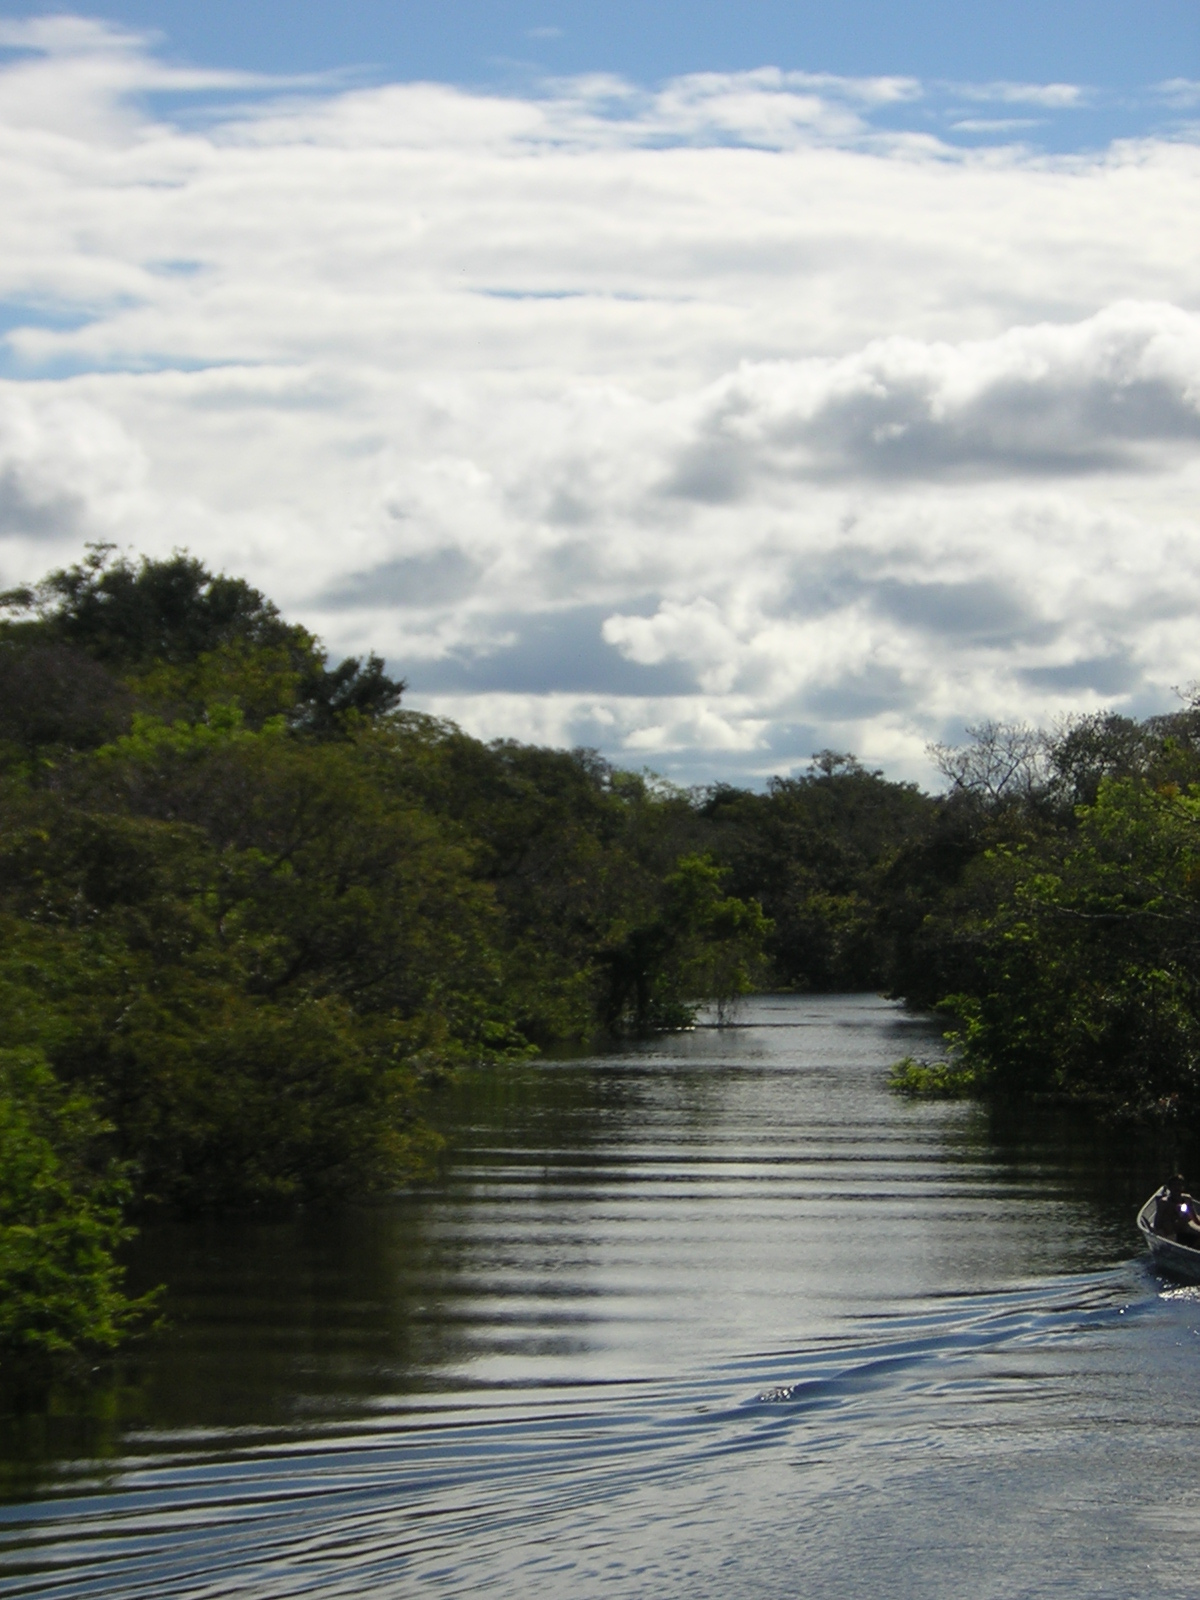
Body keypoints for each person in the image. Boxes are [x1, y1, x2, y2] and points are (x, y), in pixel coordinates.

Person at [1153, 1174, 1200, 1248]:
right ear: (1170, 1187)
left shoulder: (1187, 1199)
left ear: (1182, 1187)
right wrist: (1158, 1233)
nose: (1177, 1188)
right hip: (1171, 1234)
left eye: (1179, 1185)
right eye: (1174, 1185)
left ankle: (1192, 1249)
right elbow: (1157, 1222)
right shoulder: (1164, 1202)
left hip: (1184, 1232)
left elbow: (1195, 1219)